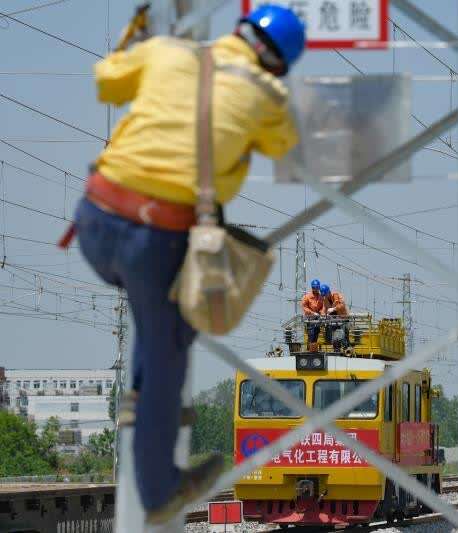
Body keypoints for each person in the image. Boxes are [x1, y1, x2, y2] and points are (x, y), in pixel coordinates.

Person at [66, 4, 305, 525]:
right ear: (279, 63)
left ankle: (141, 398)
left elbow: (107, 82)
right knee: (169, 355)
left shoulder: (166, 52)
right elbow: (286, 145)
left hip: (94, 221)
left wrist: (135, 40)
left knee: (157, 330)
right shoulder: (268, 94)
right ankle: (159, 493)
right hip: (153, 241)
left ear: (240, 31)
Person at [321, 284, 350, 350]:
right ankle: (336, 350)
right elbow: (324, 309)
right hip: (334, 321)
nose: (324, 296)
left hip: (343, 319)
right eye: (323, 295)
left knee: (344, 335)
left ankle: (346, 349)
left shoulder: (337, 295)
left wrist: (334, 309)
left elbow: (342, 305)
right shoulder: (325, 300)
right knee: (335, 337)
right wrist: (323, 315)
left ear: (328, 292)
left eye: (325, 294)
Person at [301, 279, 325, 352]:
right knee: (311, 333)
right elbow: (304, 307)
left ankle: (314, 348)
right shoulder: (307, 297)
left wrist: (322, 313)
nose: (316, 289)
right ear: (312, 288)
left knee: (316, 333)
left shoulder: (321, 297)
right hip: (310, 319)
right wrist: (312, 313)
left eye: (317, 288)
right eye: (314, 287)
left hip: (318, 319)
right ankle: (309, 349)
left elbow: (323, 306)